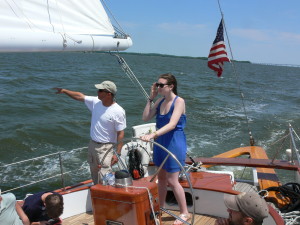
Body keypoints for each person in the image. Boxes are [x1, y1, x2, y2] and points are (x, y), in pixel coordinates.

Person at [54, 81, 126, 184]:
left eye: (100, 90)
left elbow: (120, 133)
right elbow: (80, 96)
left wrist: (117, 153)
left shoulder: (118, 111)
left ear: (109, 94)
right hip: (92, 145)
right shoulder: (95, 102)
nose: (97, 92)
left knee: (105, 176)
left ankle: (106, 194)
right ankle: (97, 191)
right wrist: (64, 91)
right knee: (94, 173)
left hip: (106, 148)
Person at [141, 73, 189, 225]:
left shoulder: (179, 101)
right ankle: (159, 208)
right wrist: (151, 98)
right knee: (161, 179)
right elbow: (145, 117)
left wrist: (152, 135)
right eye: (157, 84)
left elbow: (172, 124)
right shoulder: (160, 101)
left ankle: (185, 213)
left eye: (161, 85)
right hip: (160, 143)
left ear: (171, 86)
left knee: (172, 180)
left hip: (174, 143)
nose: (158, 87)